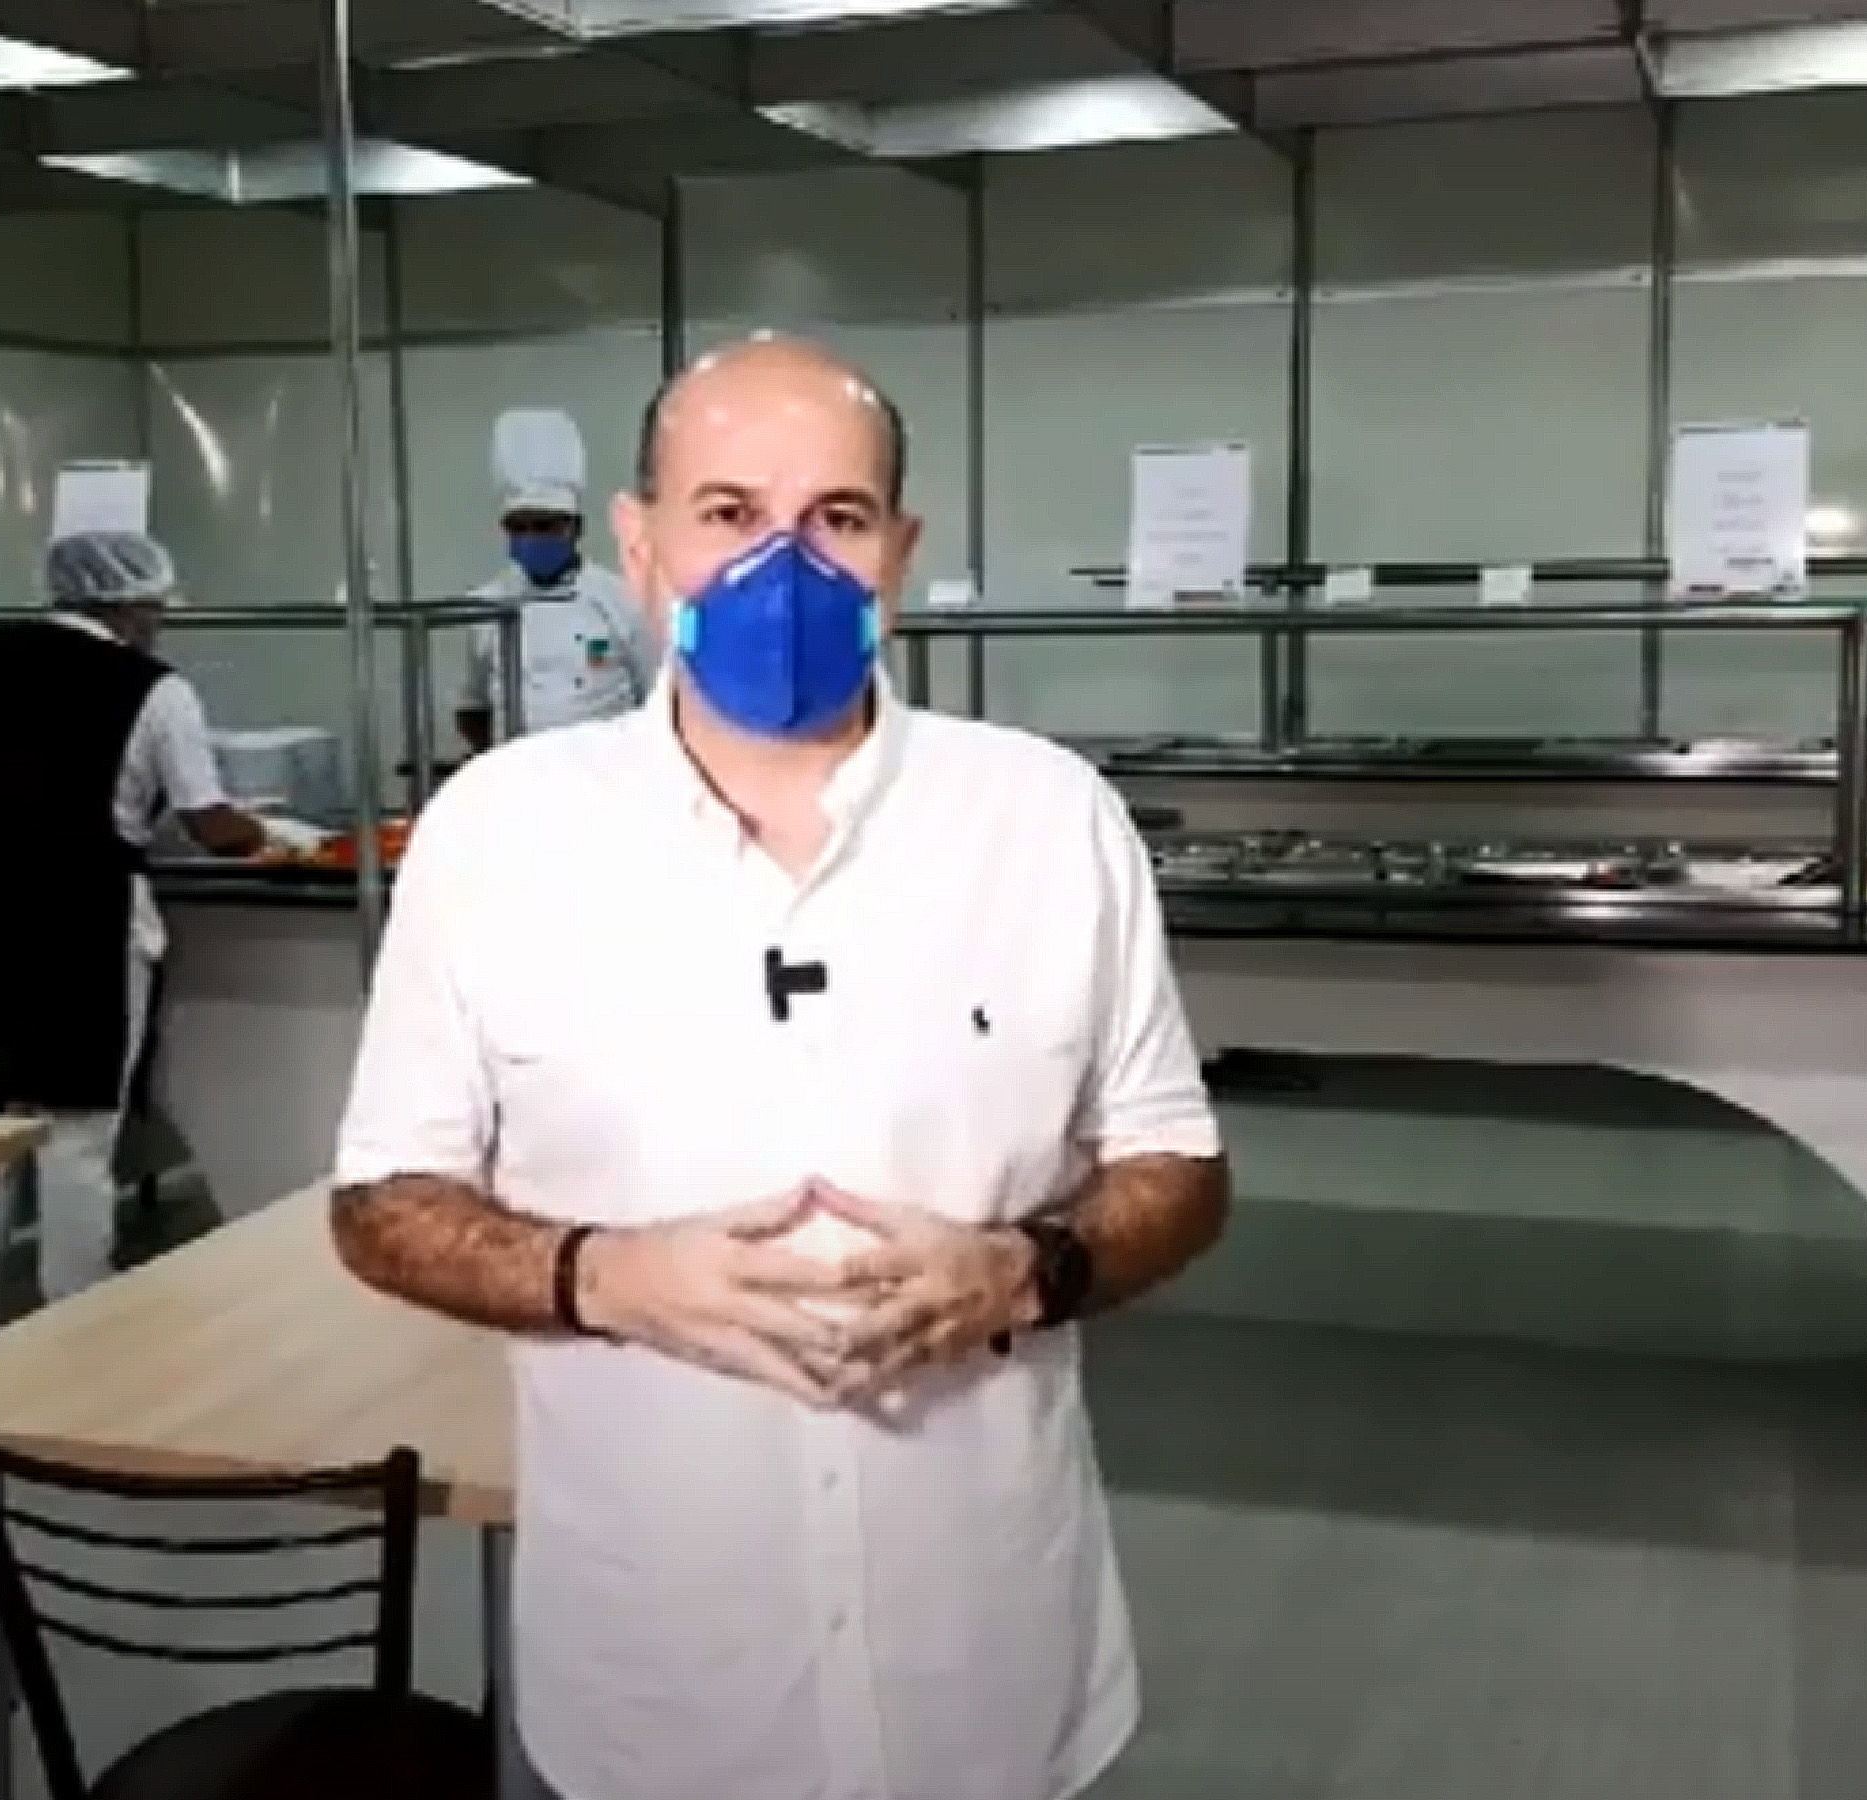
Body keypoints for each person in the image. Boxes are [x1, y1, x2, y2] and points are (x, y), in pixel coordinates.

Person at [327, 337, 1232, 1800]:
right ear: (640, 547)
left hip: (987, 1659)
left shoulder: (1047, 822)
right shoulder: (499, 837)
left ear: (899, 554)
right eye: (730, 513)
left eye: (837, 518)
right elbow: (382, 1204)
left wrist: (1027, 1271)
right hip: (658, 1673)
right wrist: (602, 1278)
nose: (784, 566)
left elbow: (1177, 1168)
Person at [0, 529, 320, 1321]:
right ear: (134, 605)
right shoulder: (155, 689)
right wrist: (280, 834)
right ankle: (76, 1321)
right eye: (157, 607)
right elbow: (210, 824)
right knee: (74, 1136)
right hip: (80, 925)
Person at [452, 407, 654, 754]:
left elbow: (655, 700)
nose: (531, 537)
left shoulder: (622, 600)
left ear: (576, 528)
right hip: (518, 775)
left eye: (544, 526)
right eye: (519, 527)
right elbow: (473, 708)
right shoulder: (487, 607)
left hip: (606, 775)